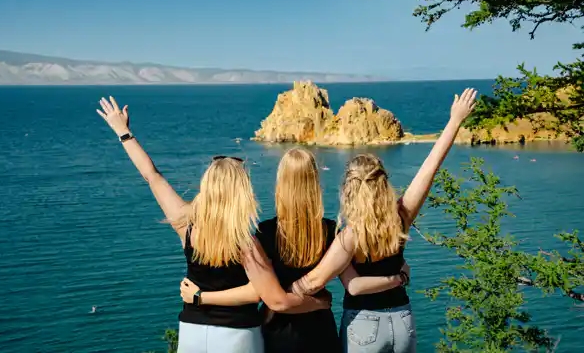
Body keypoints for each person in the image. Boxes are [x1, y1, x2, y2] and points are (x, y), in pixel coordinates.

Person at [96, 97, 326, 353]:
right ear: (242, 193)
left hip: (192, 332)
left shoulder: (186, 226)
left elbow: (152, 176)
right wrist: (318, 302)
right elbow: (263, 296)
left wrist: (124, 132)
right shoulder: (246, 243)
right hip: (238, 335)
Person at [290, 88, 478, 353]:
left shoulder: (349, 237)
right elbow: (429, 168)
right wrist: (455, 121)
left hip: (364, 325)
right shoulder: (401, 217)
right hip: (403, 319)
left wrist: (275, 295)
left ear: (348, 189)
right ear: (384, 184)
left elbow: (317, 282)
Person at [181, 148, 409, 353]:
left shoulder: (264, 232)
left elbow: (267, 296)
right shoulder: (331, 231)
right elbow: (351, 282)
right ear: (315, 184)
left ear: (280, 185)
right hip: (321, 332)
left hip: (278, 334)